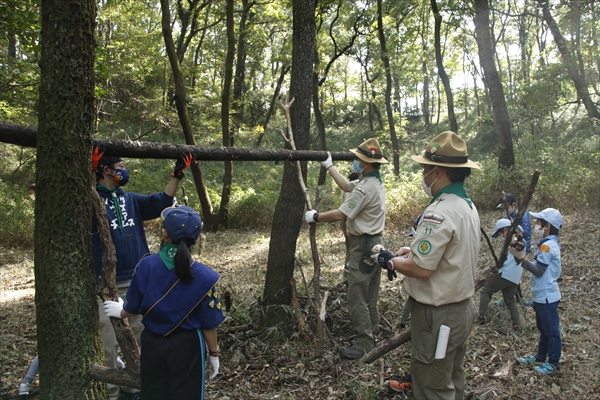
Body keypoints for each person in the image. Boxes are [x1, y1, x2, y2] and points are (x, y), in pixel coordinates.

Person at [376, 131, 480, 399]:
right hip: (460, 310)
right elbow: (455, 252)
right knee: (451, 377)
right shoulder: (465, 205)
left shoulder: (439, 211)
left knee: (431, 385)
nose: (423, 174)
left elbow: (422, 269)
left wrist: (390, 260)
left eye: (425, 168)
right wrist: (412, 251)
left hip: (438, 316)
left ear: (438, 171)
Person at [92, 147, 193, 400]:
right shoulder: (90, 200)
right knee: (108, 343)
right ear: (107, 170)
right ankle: (111, 393)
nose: (124, 171)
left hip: (138, 281)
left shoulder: (131, 199)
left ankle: (135, 389)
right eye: (121, 167)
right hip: (105, 285)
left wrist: (177, 174)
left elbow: (161, 201)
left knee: (139, 339)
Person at [103, 206, 224, 399]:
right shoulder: (205, 276)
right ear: (197, 238)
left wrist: (121, 311)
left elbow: (133, 307)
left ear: (164, 234)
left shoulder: (145, 265)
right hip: (188, 345)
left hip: (152, 343)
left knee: (153, 393)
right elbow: (209, 322)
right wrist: (213, 353)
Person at [305, 138, 388, 360]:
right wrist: (330, 166)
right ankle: (373, 330)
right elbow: (345, 186)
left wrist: (316, 217)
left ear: (367, 163)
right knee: (369, 292)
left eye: (359, 159)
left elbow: (341, 214)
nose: (355, 162)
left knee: (356, 294)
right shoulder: (372, 182)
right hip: (376, 242)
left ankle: (364, 343)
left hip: (364, 245)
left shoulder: (365, 189)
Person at [509, 208, 563, 376]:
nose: (536, 226)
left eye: (539, 223)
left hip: (547, 296)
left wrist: (522, 259)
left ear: (547, 226)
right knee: (543, 328)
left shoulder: (547, 246)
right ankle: (540, 356)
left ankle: (553, 363)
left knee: (551, 330)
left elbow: (539, 271)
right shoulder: (546, 244)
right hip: (542, 295)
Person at [478, 219, 523, 331]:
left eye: (500, 233)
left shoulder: (514, 241)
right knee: (510, 300)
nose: (500, 236)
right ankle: (517, 325)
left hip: (506, 274)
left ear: (506, 230)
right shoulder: (517, 240)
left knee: (486, 291)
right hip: (515, 277)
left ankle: (482, 316)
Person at [495, 193, 533, 307]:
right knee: (509, 272)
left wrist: (514, 225)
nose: (505, 210)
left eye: (506, 207)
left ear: (513, 205)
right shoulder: (506, 218)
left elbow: (525, 232)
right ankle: (514, 297)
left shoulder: (523, 216)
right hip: (510, 249)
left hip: (520, 248)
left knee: (513, 273)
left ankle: (517, 298)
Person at [341, 170, 360, 272]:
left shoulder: (351, 186)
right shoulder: (353, 189)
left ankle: (349, 267)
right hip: (348, 220)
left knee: (350, 246)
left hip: (347, 220)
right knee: (352, 246)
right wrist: (348, 226)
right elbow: (348, 210)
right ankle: (349, 269)